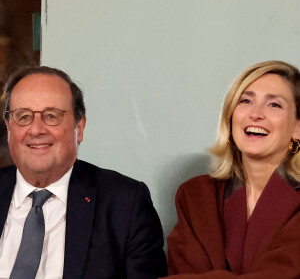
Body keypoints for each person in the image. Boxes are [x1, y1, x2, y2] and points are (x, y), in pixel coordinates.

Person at [0, 66, 167, 279]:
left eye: (51, 116)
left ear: (80, 127)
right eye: (23, 117)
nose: (36, 130)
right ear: (8, 128)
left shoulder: (125, 205)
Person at [166, 60, 300, 279]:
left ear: (297, 128)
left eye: (274, 105)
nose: (255, 114)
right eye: (245, 101)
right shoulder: (195, 195)